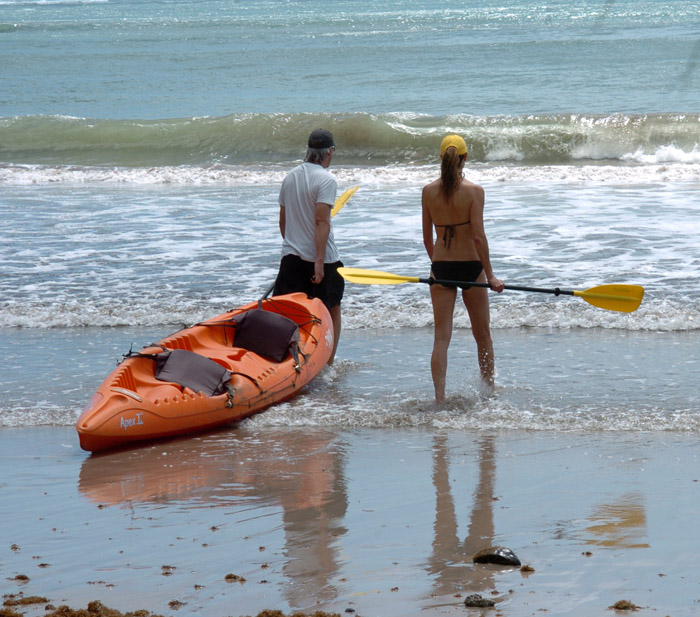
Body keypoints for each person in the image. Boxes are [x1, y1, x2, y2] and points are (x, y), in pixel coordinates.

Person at [421, 134, 504, 400]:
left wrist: (438, 265)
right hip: (471, 267)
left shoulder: (428, 192)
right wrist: (490, 275)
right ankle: (488, 391)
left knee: (441, 338)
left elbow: (426, 238)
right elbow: (478, 237)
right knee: (483, 335)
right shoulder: (474, 192)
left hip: (441, 268)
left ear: (441, 158)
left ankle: (439, 398)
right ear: (464, 158)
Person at [273, 128, 344, 365]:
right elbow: (321, 220)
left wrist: (292, 246)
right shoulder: (326, 179)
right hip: (322, 258)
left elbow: (283, 221)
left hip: (291, 256)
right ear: (329, 152)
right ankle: (328, 362)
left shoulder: (290, 177)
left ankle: (290, 363)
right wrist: (320, 261)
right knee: (331, 308)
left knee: (290, 312)